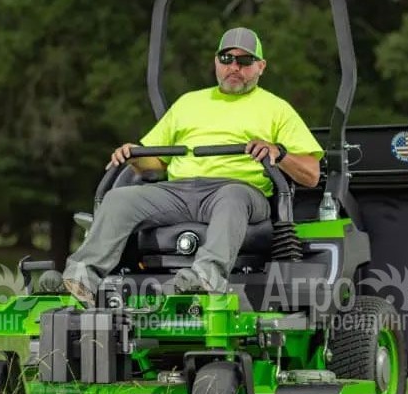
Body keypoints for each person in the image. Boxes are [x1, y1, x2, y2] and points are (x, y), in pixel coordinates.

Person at [62, 27, 324, 303]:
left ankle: (204, 278)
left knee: (231, 197)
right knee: (119, 199)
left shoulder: (277, 109)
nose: (234, 67)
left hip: (240, 191)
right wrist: (134, 155)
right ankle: (81, 278)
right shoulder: (188, 103)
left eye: (245, 61)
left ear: (261, 66)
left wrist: (278, 153)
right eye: (226, 59)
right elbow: (155, 164)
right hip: (179, 191)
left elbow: (311, 174)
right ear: (216, 62)